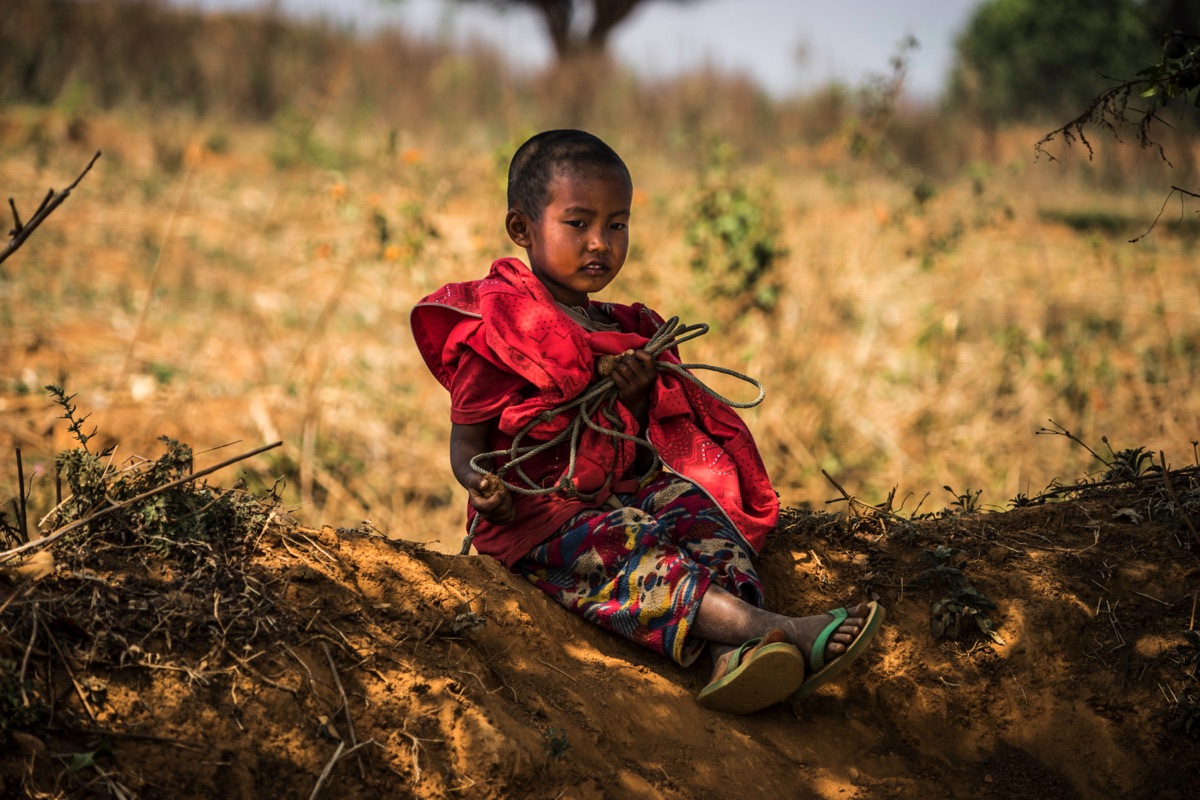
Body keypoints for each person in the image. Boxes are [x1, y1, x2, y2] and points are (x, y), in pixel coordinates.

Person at [411, 129, 883, 714]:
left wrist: (633, 401)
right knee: (633, 543)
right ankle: (775, 628)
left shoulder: (624, 328)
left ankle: (726, 658)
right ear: (522, 230)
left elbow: (627, 447)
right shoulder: (504, 331)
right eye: (578, 224)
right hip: (538, 523)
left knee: (694, 511)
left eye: (617, 225)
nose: (600, 244)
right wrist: (484, 489)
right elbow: (467, 446)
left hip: (616, 489)